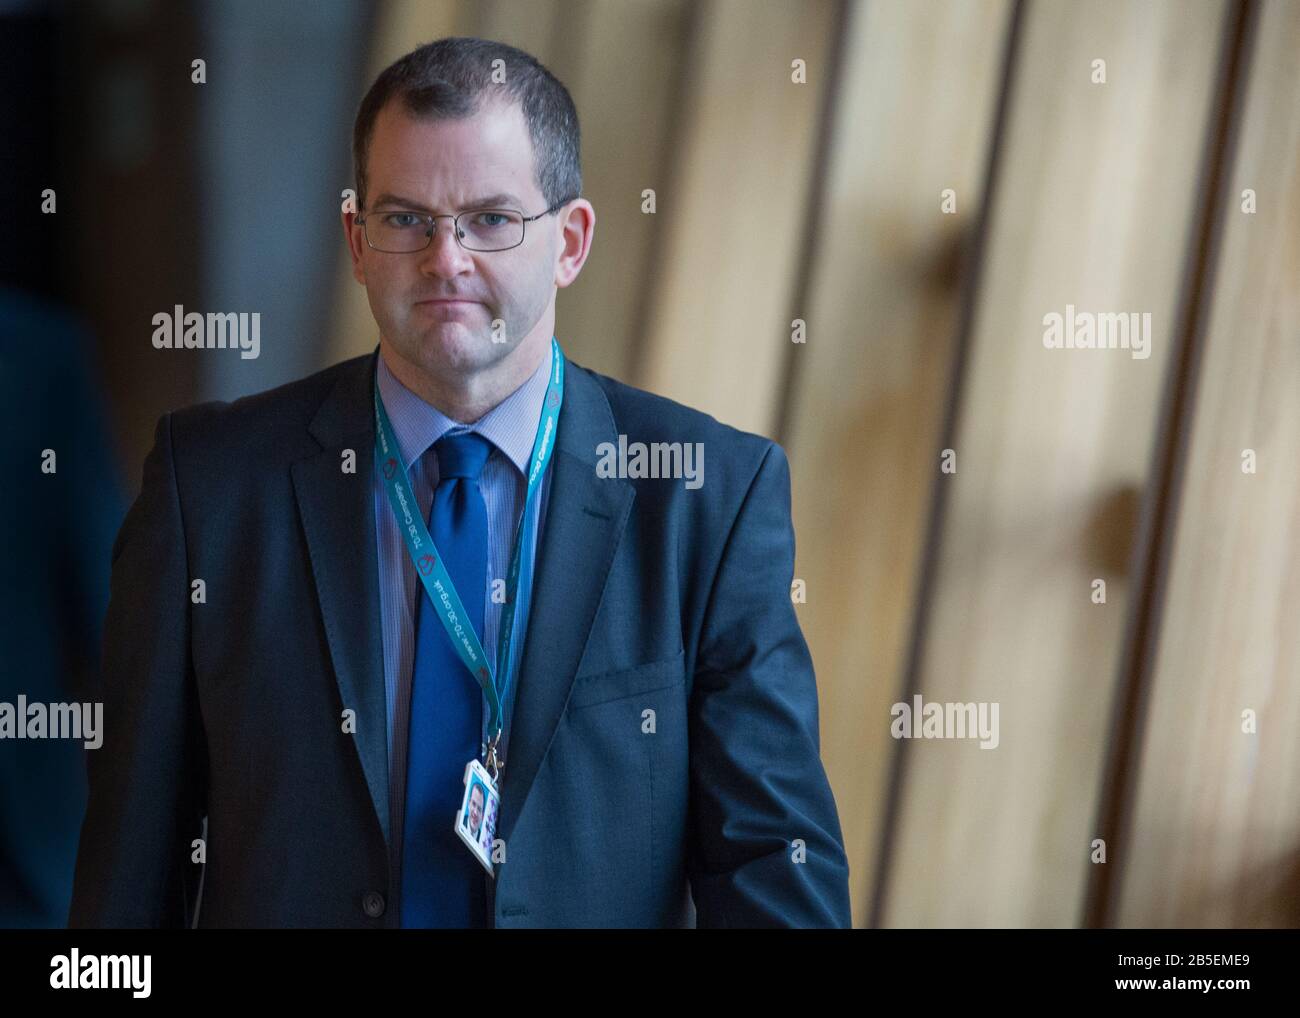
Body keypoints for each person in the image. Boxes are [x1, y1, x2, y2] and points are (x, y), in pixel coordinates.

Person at [68, 36, 851, 929]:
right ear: (357, 242)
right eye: (406, 219)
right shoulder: (208, 490)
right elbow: (125, 888)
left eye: (490, 220)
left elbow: (774, 873)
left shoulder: (707, 499)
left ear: (572, 241)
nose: (446, 260)